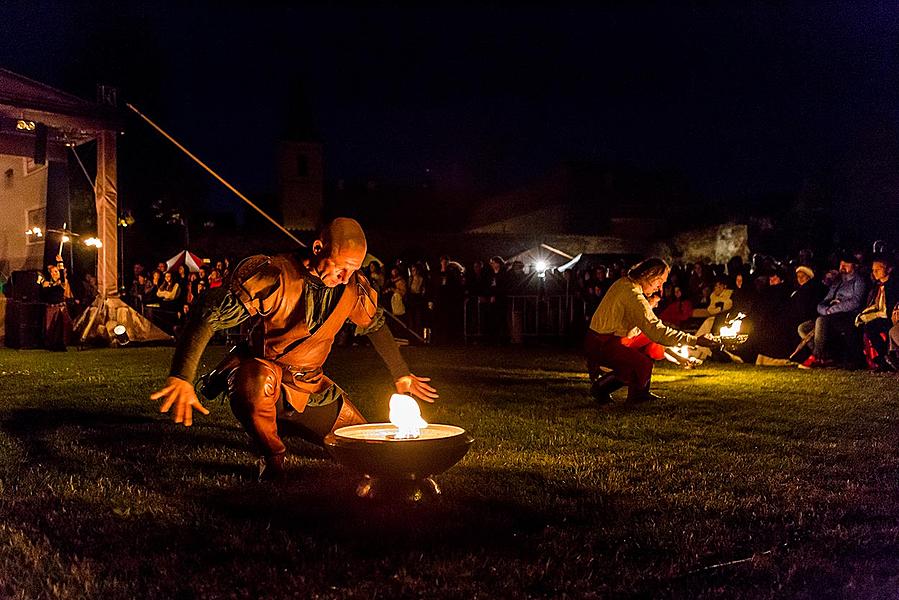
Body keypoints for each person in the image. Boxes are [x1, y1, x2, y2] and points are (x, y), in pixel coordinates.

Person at [150, 218, 438, 480]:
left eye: (353, 270)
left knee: (362, 445)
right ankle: (272, 454)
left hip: (311, 385)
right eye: (340, 267)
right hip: (265, 379)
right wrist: (182, 375)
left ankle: (293, 424)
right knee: (255, 382)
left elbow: (374, 325)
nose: (345, 277)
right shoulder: (276, 274)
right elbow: (210, 314)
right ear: (317, 248)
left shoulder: (352, 287)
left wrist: (401, 374)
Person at [584, 257, 717, 404]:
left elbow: (653, 334)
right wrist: (695, 340)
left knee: (651, 343)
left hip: (607, 339)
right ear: (649, 275)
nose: (659, 288)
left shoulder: (625, 283)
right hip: (602, 343)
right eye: (659, 282)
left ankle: (640, 392)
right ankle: (602, 388)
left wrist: (680, 357)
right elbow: (656, 329)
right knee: (641, 364)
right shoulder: (633, 295)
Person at [798, 254, 868, 369]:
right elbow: (825, 301)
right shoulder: (837, 283)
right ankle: (825, 356)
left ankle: (816, 356)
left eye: (846, 264)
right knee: (803, 328)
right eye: (841, 264)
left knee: (821, 320)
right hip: (830, 316)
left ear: (854, 266)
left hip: (848, 315)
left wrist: (832, 310)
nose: (842, 266)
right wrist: (824, 310)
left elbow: (856, 301)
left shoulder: (858, 281)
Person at [856, 255, 899, 371]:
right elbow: (874, 304)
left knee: (874, 327)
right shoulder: (876, 286)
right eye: (873, 270)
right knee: (867, 326)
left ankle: (886, 358)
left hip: (891, 317)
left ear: (888, 269)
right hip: (882, 316)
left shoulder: (894, 285)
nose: (874, 272)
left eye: (878, 269)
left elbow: (888, 307)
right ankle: (880, 358)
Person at [39, 255, 73, 351]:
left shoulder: (62, 282)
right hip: (50, 308)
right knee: (49, 328)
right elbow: (42, 294)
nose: (54, 274)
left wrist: (60, 263)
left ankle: (60, 345)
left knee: (60, 327)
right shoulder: (46, 283)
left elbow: (62, 276)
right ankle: (51, 345)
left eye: (56, 271)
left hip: (59, 309)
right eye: (52, 272)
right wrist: (42, 284)